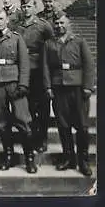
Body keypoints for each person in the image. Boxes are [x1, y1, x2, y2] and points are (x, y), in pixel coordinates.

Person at [0, 8, 37, 173]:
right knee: (2, 122)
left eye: (1, 18)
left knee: (23, 119)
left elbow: (24, 64)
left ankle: (29, 158)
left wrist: (23, 85)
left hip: (14, 83)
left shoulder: (16, 38)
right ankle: (9, 156)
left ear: (7, 20)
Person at [43, 12, 94, 176]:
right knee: (63, 126)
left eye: (62, 23)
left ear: (69, 24)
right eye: (56, 23)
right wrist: (48, 87)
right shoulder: (49, 44)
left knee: (82, 126)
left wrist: (88, 86)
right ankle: (68, 158)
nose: (59, 26)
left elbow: (89, 65)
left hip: (78, 88)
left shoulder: (79, 41)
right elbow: (45, 67)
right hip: (58, 88)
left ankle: (83, 161)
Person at [16, 0, 53, 153]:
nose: (26, 9)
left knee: (43, 106)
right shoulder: (17, 27)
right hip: (23, 72)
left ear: (34, 7)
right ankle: (31, 137)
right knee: (28, 106)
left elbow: (51, 46)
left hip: (39, 70)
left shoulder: (43, 26)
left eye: (29, 6)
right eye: (24, 7)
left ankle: (42, 138)